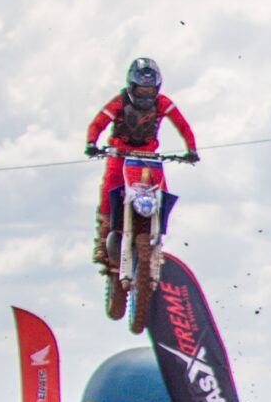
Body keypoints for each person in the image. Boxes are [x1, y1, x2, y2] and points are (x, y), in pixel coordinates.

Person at [85, 57, 199, 267]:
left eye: (149, 90)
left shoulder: (163, 103)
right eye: (141, 90)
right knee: (109, 188)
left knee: (162, 192)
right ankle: (101, 241)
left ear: (156, 88)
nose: (146, 94)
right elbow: (98, 122)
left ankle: (157, 240)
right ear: (131, 86)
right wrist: (92, 143)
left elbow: (183, 125)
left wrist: (191, 149)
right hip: (120, 151)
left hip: (148, 154)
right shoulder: (119, 102)